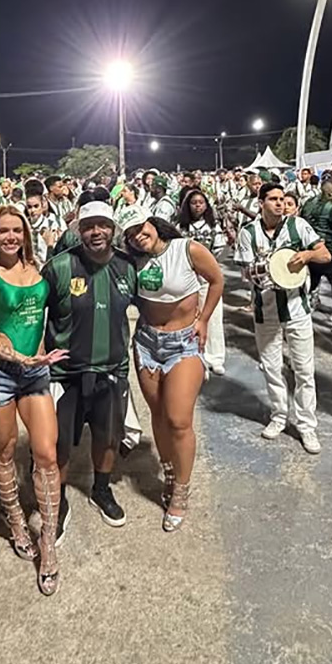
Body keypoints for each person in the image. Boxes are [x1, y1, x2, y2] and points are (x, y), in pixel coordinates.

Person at [0, 206, 66, 596]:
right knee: (4, 451)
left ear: (26, 234)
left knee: (46, 454)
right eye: (3, 231)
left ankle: (49, 543)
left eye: (17, 230)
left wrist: (35, 357)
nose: (11, 237)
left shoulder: (39, 272)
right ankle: (16, 522)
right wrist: (14, 356)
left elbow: (41, 318)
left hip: (35, 371)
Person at [42, 199, 139, 539]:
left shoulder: (128, 268)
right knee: (59, 444)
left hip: (111, 371)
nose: (96, 232)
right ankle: (59, 498)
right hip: (65, 375)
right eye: (88, 226)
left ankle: (100, 489)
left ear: (113, 229)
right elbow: (30, 307)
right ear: (78, 230)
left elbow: (152, 310)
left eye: (103, 225)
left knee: (107, 437)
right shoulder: (58, 267)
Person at [123, 210, 224, 529]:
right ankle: (168, 471)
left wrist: (204, 318)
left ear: (153, 223)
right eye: (131, 233)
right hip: (147, 342)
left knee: (179, 420)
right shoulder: (133, 262)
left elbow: (217, 279)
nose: (139, 235)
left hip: (183, 343)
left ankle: (181, 488)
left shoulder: (187, 249)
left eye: (142, 228)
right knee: (158, 415)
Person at [236, 182, 330, 454]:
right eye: (273, 199)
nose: (279, 203)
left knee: (303, 369)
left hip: (298, 308)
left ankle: (306, 425)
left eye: (282, 199)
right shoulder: (248, 232)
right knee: (272, 366)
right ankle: (279, 416)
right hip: (265, 309)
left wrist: (308, 254)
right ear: (261, 203)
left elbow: (325, 254)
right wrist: (266, 270)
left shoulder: (298, 226)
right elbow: (244, 272)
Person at [177, 189, 227, 374]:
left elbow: (220, 249)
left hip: (208, 278)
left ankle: (216, 357)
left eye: (201, 202)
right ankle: (198, 357)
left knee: (213, 317)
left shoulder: (213, 227)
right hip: (188, 278)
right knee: (192, 318)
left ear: (206, 205)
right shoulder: (180, 227)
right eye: (193, 203)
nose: (197, 205)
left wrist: (208, 266)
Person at [301, 173, 332, 331]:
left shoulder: (308, 203)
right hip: (328, 251)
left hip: (311, 252)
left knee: (310, 285)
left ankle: (301, 316)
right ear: (329, 193)